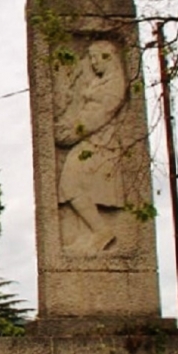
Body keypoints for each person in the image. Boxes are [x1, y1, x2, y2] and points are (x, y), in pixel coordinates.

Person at [55, 40, 126, 255]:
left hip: (100, 144)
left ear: (109, 58)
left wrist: (69, 134)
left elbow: (96, 117)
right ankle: (94, 233)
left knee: (70, 184)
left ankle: (100, 231)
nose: (93, 63)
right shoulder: (102, 82)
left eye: (96, 58)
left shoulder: (114, 86)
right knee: (71, 185)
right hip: (91, 142)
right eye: (91, 58)